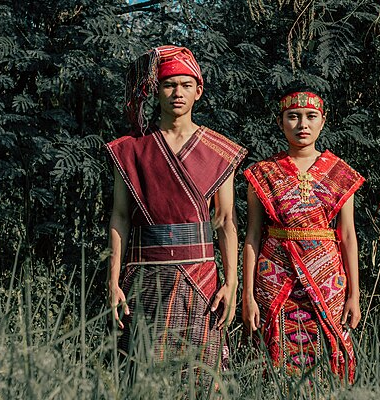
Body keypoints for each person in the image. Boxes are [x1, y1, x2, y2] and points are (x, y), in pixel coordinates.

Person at [105, 45, 247, 384]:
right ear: (157, 90)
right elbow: (120, 218)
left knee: (200, 375)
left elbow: (226, 221)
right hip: (144, 277)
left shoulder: (218, 150)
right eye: (169, 84)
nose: (177, 93)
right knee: (138, 375)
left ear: (199, 90)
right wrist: (113, 281)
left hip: (201, 278)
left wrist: (232, 281)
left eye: (185, 84)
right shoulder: (132, 149)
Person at [241, 87, 364, 383]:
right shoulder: (262, 173)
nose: (302, 125)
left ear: (323, 121)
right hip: (274, 276)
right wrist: (247, 295)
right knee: (274, 351)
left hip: (327, 280)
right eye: (293, 117)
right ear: (281, 121)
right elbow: (253, 235)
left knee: (330, 348)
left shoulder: (340, 173)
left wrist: (354, 295)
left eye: (311, 117)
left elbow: (347, 236)